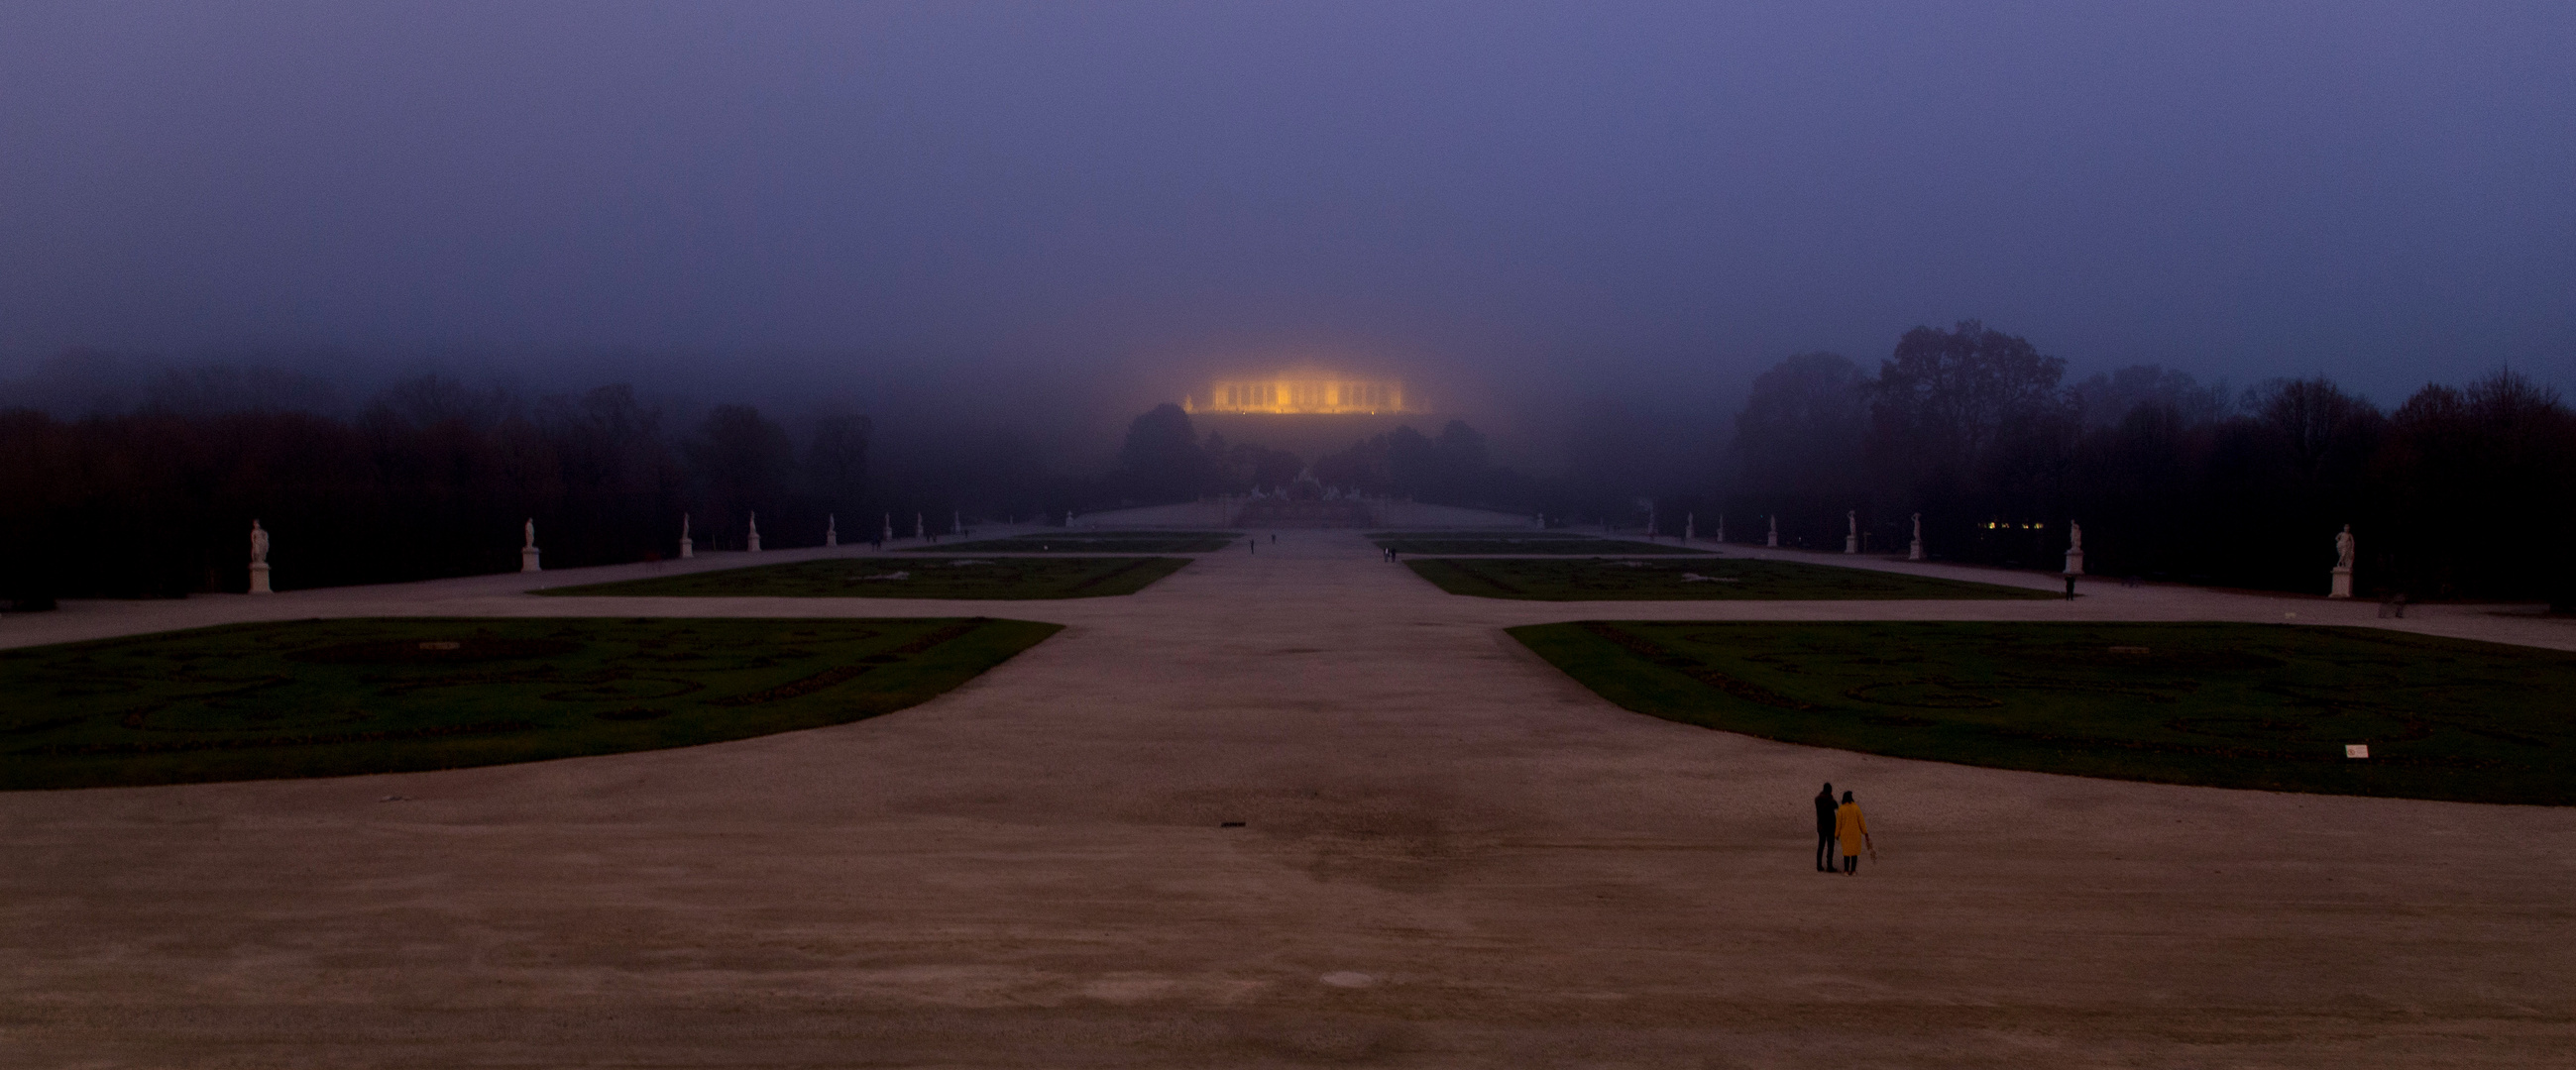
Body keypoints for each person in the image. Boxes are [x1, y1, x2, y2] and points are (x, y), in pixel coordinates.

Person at [1835, 790, 1870, 875]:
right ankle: (1853, 870)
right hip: (1855, 834)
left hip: (1845, 835)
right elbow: (1861, 821)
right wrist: (1865, 832)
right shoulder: (1856, 808)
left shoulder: (1841, 809)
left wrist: (1836, 834)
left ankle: (1846, 870)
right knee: (1854, 853)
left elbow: (1838, 823)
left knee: (1846, 853)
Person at [1813, 782, 1838, 871]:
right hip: (1830, 826)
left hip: (1821, 826)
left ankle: (1819, 865)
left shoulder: (1817, 799)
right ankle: (1829, 865)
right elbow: (1836, 806)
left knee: (1821, 845)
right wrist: (1831, 797)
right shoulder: (1830, 800)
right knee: (1830, 846)